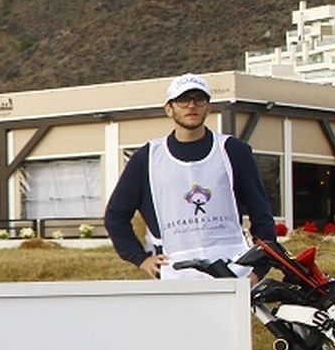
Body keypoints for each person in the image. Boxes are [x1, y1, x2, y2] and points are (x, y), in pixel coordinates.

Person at [105, 73, 277, 278]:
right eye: (183, 99)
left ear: (208, 107)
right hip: (176, 274)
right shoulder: (147, 157)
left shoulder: (233, 151)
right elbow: (115, 216)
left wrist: (258, 270)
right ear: (169, 108)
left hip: (233, 271)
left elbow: (262, 215)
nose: (191, 105)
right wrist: (140, 258)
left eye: (199, 99)